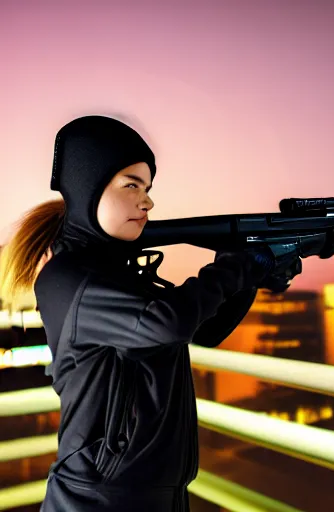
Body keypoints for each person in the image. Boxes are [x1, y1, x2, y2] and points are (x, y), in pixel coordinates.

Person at [0, 115, 293, 511]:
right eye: (132, 185)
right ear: (89, 189)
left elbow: (204, 330)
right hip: (98, 501)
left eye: (148, 187)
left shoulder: (116, 276)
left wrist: (254, 274)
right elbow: (167, 321)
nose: (148, 200)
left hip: (157, 497)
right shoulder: (69, 279)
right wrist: (238, 266)